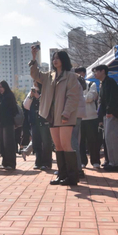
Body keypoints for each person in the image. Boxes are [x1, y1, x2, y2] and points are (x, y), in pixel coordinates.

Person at [30, 47, 82, 185]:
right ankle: (62, 175)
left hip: (65, 115)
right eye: (53, 58)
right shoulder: (49, 75)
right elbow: (35, 75)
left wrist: (66, 113)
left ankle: (72, 176)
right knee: (58, 146)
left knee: (66, 145)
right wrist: (34, 57)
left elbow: (73, 97)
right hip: (52, 116)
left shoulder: (70, 76)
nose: (55, 60)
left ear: (64, 60)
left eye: (57, 58)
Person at [92, 64, 118, 172]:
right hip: (107, 115)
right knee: (108, 138)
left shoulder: (110, 82)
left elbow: (114, 98)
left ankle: (116, 163)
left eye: (96, 71)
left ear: (103, 71)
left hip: (113, 114)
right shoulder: (102, 83)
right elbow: (102, 102)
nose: (95, 74)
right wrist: (100, 117)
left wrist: (110, 111)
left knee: (112, 138)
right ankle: (112, 162)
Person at [74, 67, 101, 169]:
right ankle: (82, 161)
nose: (77, 76)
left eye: (79, 74)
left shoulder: (91, 84)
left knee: (93, 140)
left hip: (91, 117)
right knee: (80, 142)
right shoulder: (73, 86)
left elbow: (91, 97)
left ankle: (95, 161)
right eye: (75, 74)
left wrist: (79, 98)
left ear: (84, 74)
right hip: (78, 117)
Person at [22, 84, 53, 170]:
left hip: (44, 122)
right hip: (34, 122)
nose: (34, 84)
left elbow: (47, 104)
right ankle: (38, 162)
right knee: (36, 143)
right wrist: (31, 96)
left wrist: (38, 96)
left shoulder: (45, 92)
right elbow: (25, 106)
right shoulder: (31, 94)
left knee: (46, 143)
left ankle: (46, 163)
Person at [0, 81, 18, 170]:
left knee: (9, 143)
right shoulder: (1, 97)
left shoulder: (9, 96)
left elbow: (6, 108)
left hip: (8, 122)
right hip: (2, 123)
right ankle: (5, 163)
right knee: (3, 144)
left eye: (1, 87)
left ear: (5, 87)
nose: (0, 89)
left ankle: (11, 163)